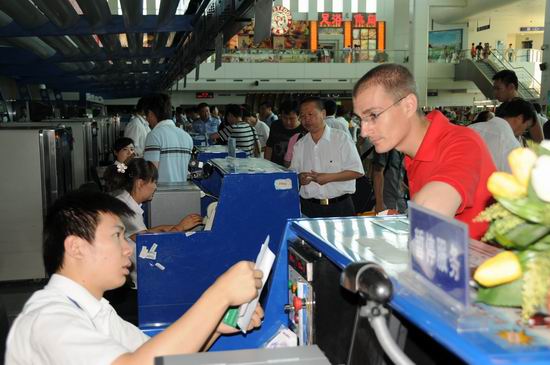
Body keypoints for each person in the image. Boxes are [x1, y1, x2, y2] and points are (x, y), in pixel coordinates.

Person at [5, 190, 263, 365]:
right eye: (116, 236)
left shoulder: (98, 311)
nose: (128, 248)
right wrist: (218, 295)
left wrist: (216, 325)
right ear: (76, 247)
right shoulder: (49, 319)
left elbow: (160, 357)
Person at [353, 64, 495, 240]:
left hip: (478, 266)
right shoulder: (413, 154)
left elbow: (430, 212)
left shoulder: (462, 142)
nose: (364, 132)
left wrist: (407, 221)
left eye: (373, 115)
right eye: (361, 120)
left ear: (408, 105)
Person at [103, 158, 203, 282]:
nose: (156, 187)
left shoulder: (124, 200)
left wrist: (172, 227)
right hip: (134, 279)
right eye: (154, 182)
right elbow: (147, 247)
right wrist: (179, 228)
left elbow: (138, 235)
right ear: (140, 183)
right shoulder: (127, 212)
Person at [291, 97, 364, 218]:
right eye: (302, 116)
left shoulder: (341, 139)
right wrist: (299, 178)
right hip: (309, 209)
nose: (306, 119)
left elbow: (357, 171)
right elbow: (293, 174)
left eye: (310, 114)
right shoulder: (300, 145)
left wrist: (329, 178)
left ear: (323, 114)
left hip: (340, 207)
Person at [470, 98, 536, 172]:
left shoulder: (472, 128)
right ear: (520, 118)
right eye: (526, 127)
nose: (523, 132)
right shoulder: (512, 145)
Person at [142, 93, 193, 183]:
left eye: (146, 117)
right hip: (182, 192)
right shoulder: (187, 136)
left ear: (150, 113)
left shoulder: (154, 135)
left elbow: (150, 174)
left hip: (160, 194)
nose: (147, 120)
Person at [492, 69, 544, 142]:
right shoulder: (501, 108)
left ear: (511, 87)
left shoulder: (526, 109)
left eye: (498, 89)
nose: (495, 92)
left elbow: (539, 140)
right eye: (494, 88)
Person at [265, 100, 305, 166]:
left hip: (294, 168)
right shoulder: (275, 125)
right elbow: (269, 147)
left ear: (299, 116)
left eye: (292, 118)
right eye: (284, 118)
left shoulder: (304, 130)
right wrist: (266, 165)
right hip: (274, 166)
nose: (288, 122)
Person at [372, 149, 407, 213]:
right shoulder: (385, 148)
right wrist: (379, 203)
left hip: (401, 201)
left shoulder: (404, 150)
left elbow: (399, 177)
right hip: (386, 200)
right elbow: (378, 173)